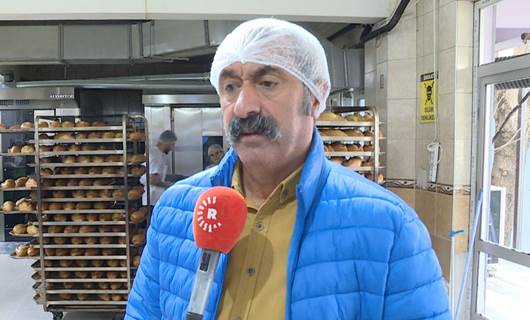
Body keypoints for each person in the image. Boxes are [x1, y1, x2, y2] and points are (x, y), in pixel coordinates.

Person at [126, 18, 450, 320]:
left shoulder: (388, 227)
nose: (243, 105)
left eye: (267, 83)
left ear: (314, 97)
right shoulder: (176, 210)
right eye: (230, 87)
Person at [140, 130, 177, 205]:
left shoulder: (153, 152)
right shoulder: (157, 157)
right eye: (172, 144)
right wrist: (169, 185)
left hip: (150, 197)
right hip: (152, 198)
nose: (173, 148)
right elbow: (152, 179)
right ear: (166, 143)